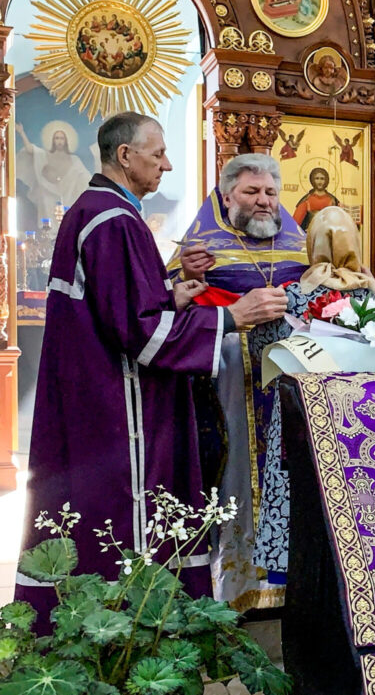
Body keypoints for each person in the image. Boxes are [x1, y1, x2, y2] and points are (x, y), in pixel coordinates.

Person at [15, 113, 287, 627]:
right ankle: (129, 627)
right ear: (125, 155)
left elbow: (120, 304)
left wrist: (172, 293)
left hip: (95, 393)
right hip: (119, 405)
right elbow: (139, 333)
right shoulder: (114, 220)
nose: (167, 164)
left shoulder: (101, 211)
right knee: (123, 516)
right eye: (158, 153)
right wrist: (231, 316)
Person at [169, 153, 308, 611]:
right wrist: (190, 279)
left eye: (271, 192)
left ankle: (286, 584)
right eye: (252, 191)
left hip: (288, 384)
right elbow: (168, 308)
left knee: (286, 475)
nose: (264, 201)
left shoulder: (300, 244)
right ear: (227, 196)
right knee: (233, 477)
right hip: (228, 386)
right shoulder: (199, 247)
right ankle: (233, 588)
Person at [253, 206, 375, 580]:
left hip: (302, 419)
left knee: (299, 499)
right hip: (361, 422)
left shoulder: (292, 296)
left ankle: (294, 580)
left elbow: (260, 347)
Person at [16, 122, 93, 223]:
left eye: (62, 138)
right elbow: (31, 150)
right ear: (53, 140)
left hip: (68, 194)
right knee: (44, 198)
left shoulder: (74, 159)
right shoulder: (46, 155)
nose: (59, 141)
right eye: (57, 138)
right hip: (49, 193)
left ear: (66, 141)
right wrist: (21, 133)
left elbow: (86, 177)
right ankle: (48, 229)